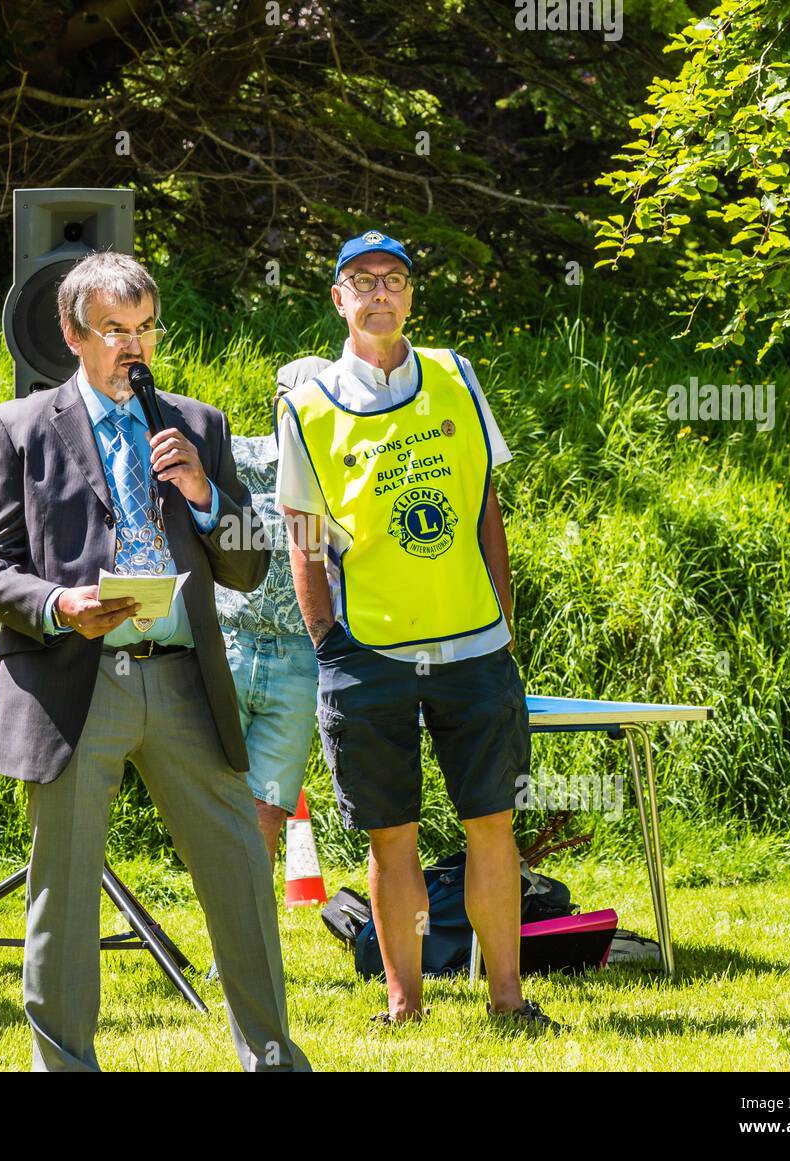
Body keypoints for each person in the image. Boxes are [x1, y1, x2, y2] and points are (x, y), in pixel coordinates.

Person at [0, 250, 310, 1072]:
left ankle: (271, 1058)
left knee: (238, 868)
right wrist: (60, 604)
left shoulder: (197, 424)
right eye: (116, 330)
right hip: (79, 678)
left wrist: (207, 497)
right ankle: (67, 1065)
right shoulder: (18, 427)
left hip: (184, 678)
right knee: (66, 886)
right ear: (73, 334)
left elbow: (248, 564)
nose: (135, 347)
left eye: (146, 328)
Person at [276, 231, 560, 1030]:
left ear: (410, 294)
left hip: (473, 647)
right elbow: (304, 536)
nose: (379, 292)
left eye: (393, 279)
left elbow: (483, 507)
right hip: (369, 655)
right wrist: (328, 639)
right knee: (390, 835)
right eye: (361, 280)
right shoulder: (307, 402)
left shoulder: (456, 374)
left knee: (492, 824)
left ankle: (508, 997)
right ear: (338, 298)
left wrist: (502, 620)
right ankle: (404, 1005)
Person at [215, 357, 330, 865]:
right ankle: (228, 930)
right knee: (217, 801)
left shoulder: (345, 473)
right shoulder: (233, 457)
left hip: (298, 658)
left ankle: (249, 940)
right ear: (279, 403)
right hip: (228, 645)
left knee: (267, 806)